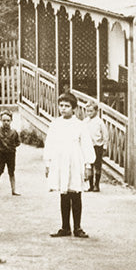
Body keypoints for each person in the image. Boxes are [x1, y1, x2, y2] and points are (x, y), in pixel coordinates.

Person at [44, 92, 94, 238]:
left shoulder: (80, 125)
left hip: (75, 162)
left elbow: (86, 145)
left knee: (76, 194)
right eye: (61, 105)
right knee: (64, 194)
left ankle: (78, 227)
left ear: (74, 108)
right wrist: (48, 163)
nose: (63, 108)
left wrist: (88, 165)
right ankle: (65, 227)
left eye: (67, 106)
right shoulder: (55, 124)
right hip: (60, 162)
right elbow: (50, 144)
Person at [0, 111, 21, 197]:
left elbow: (18, 142)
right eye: (4, 120)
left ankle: (14, 190)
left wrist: (12, 147)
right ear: (1, 120)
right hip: (1, 154)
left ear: (11, 120)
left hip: (11, 154)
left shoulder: (14, 132)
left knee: (11, 172)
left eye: (8, 120)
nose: (6, 122)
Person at [84, 103, 107, 192]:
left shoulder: (99, 122)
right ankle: (90, 185)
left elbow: (105, 134)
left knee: (97, 165)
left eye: (91, 111)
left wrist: (105, 146)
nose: (89, 113)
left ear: (96, 111)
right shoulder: (85, 121)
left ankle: (97, 185)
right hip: (88, 146)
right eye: (87, 111)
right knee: (89, 164)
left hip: (97, 146)